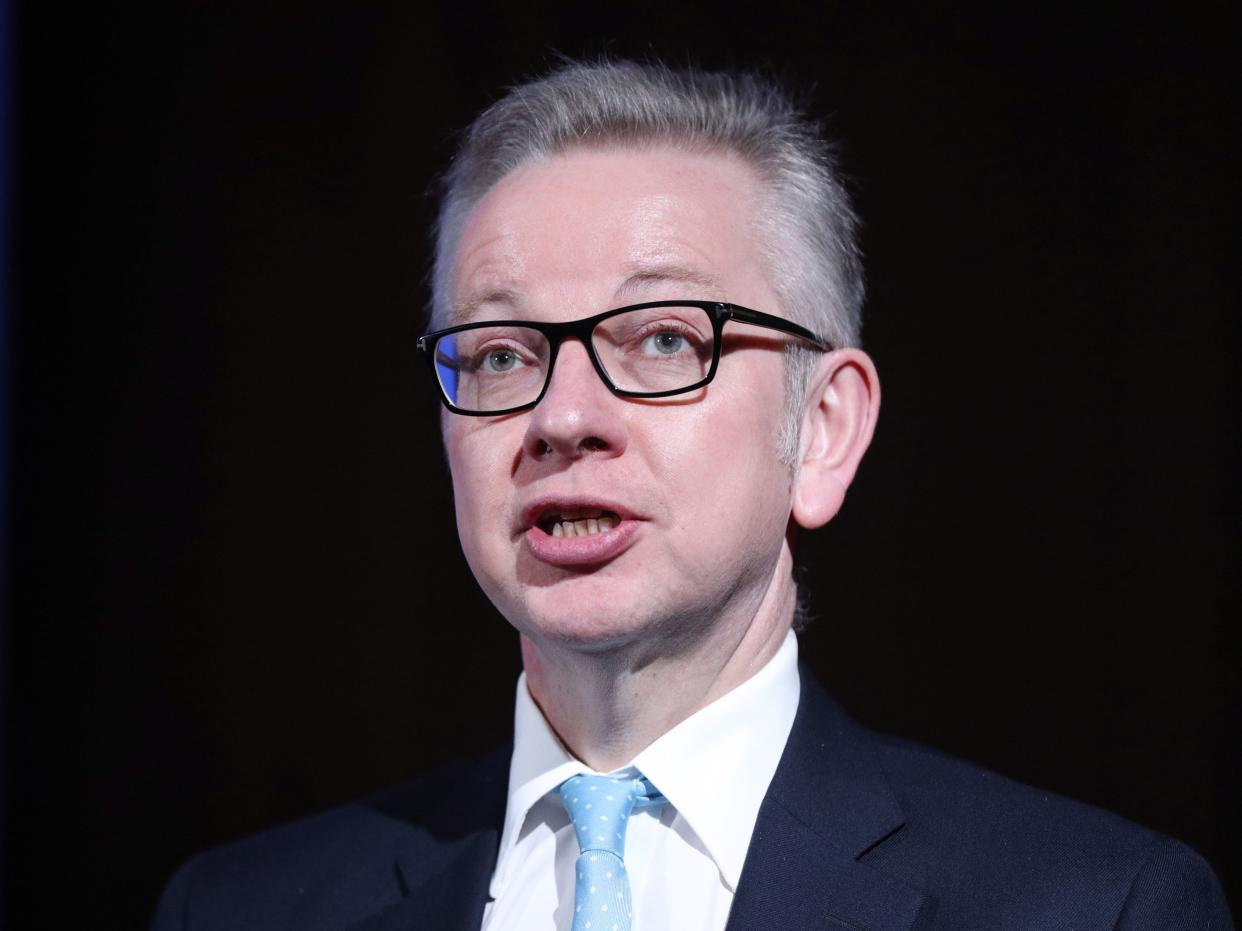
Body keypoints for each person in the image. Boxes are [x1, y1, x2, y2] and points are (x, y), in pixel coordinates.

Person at [151, 59, 1233, 931]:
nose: (563, 415)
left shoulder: (1092, 907)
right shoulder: (240, 905)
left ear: (822, 430)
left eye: (665, 339)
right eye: (498, 353)